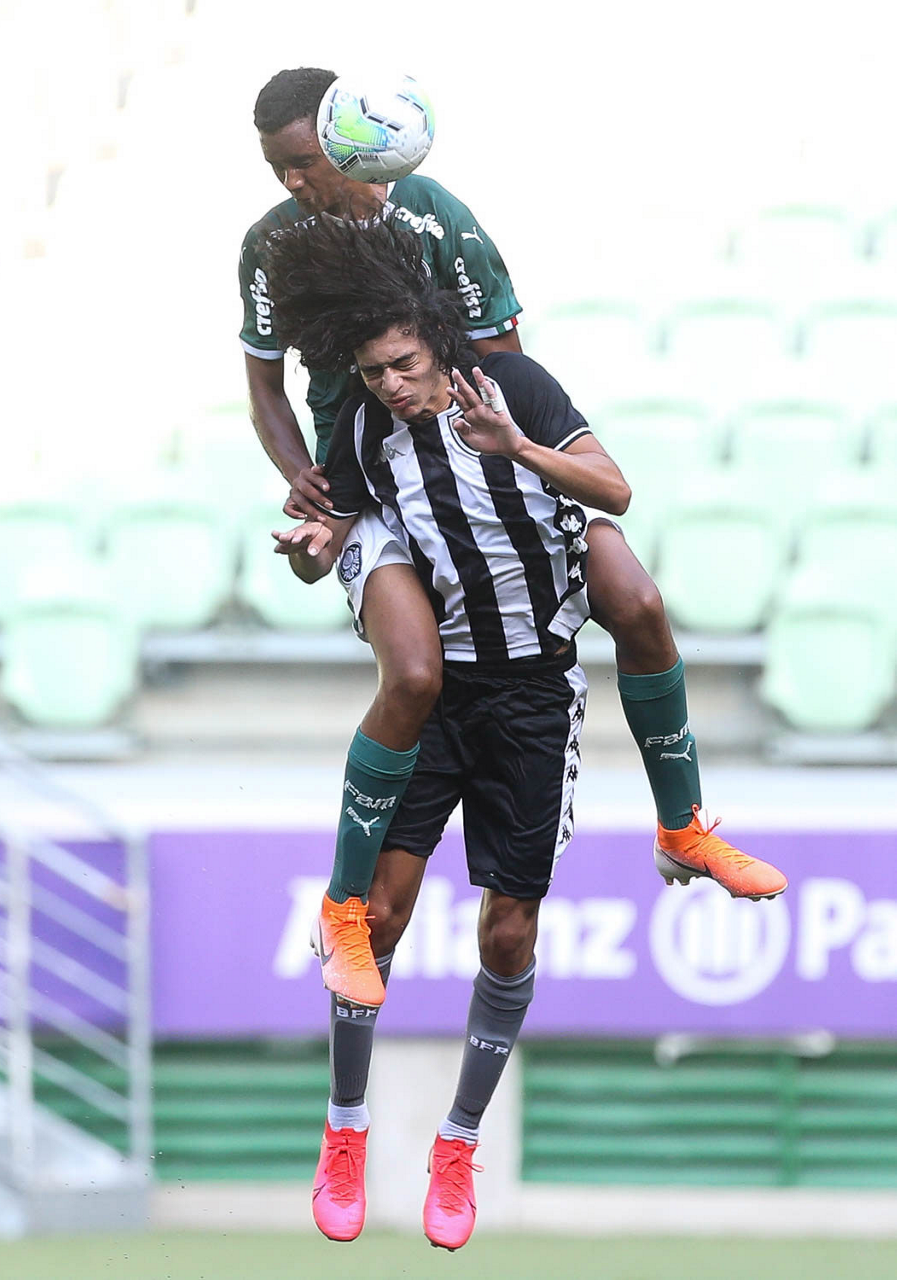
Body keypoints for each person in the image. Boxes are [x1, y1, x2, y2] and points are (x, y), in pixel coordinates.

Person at [266, 217, 786, 1249]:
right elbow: (336, 542)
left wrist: (518, 448)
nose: (391, 386)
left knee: (508, 932)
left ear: (437, 340)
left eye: (404, 364)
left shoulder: (518, 387)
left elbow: (617, 490)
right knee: (380, 915)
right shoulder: (365, 430)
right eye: (371, 373)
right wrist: (311, 551)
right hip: (442, 694)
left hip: (535, 694)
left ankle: (457, 1143)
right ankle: (346, 1129)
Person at [242, 67, 788, 1012]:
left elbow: (503, 356)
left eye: (302, 162)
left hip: (481, 451)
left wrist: (509, 450)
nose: (292, 182)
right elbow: (262, 384)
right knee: (415, 673)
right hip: (365, 484)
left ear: (342, 144)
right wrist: (308, 484)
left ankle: (684, 826)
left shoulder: (437, 216)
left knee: (635, 598)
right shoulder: (272, 245)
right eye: (275, 169)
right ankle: (345, 909)